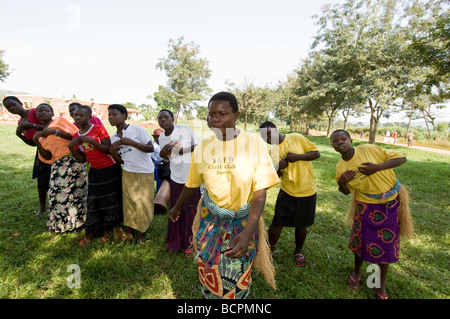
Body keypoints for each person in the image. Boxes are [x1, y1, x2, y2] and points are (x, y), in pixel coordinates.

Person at [169, 92, 280, 299]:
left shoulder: (253, 144)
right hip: (210, 218)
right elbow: (192, 184)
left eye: (222, 113)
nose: (215, 119)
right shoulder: (204, 147)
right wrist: (176, 207)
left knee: (236, 275)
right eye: (211, 115)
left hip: (243, 221)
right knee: (208, 268)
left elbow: (260, 190)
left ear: (236, 115)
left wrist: (248, 231)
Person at [330, 129, 413, 299]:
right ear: (332, 146)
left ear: (350, 140)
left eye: (343, 139)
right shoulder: (341, 167)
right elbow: (345, 191)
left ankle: (380, 285)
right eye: (335, 141)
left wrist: (377, 167)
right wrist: (341, 182)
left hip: (390, 204)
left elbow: (402, 158)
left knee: (387, 244)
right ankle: (357, 271)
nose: (340, 143)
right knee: (360, 240)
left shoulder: (369, 149)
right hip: (365, 206)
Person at [259, 121, 320, 267]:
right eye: (264, 138)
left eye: (269, 134)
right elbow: (274, 175)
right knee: (277, 222)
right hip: (287, 191)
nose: (268, 139)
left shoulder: (296, 137)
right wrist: (279, 166)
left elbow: (316, 153)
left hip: (307, 190)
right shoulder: (272, 152)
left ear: (275, 129)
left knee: (301, 225)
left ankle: (298, 251)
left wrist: (298, 157)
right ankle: (269, 252)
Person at [68, 105, 124, 246]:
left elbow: (108, 150)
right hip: (94, 170)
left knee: (110, 199)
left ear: (89, 116)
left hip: (110, 168)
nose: (78, 117)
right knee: (94, 200)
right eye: (75, 115)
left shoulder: (98, 129)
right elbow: (82, 159)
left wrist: (91, 141)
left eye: (81, 115)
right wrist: (71, 147)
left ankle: (109, 228)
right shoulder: (76, 136)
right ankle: (93, 231)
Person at [32, 103, 87, 233]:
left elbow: (75, 136)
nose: (43, 113)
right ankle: (59, 224)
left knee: (75, 193)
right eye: (40, 111)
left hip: (73, 160)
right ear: (37, 115)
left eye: (46, 111)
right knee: (55, 194)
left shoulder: (59, 122)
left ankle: (77, 224)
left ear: (52, 113)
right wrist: (36, 141)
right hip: (58, 163)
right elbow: (46, 156)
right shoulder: (40, 134)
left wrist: (54, 131)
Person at [108, 104, 155, 243]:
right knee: (129, 203)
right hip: (128, 172)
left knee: (143, 202)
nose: (111, 117)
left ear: (123, 115)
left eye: (114, 114)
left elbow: (150, 148)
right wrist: (112, 151)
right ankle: (130, 233)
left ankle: (141, 233)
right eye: (109, 115)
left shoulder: (136, 129)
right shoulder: (114, 138)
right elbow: (121, 161)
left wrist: (132, 143)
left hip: (145, 171)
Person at [158, 109, 200, 256]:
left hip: (191, 175)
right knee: (176, 208)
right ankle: (175, 238)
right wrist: (163, 152)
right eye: (160, 118)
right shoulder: (162, 137)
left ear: (173, 118)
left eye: (166, 117)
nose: (163, 120)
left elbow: (199, 146)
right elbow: (165, 156)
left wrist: (183, 150)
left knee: (191, 209)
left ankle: (190, 243)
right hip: (176, 176)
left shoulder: (184, 129)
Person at [2, 96, 49, 216]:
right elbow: (33, 143)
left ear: (20, 103)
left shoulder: (35, 112)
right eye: (8, 107)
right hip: (40, 150)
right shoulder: (20, 122)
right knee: (42, 179)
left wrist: (31, 125)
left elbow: (51, 128)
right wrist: (20, 135)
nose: (12, 108)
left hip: (52, 148)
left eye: (13, 104)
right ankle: (42, 207)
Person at [151, 128, 170, 192]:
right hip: (157, 166)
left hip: (163, 165)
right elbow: (163, 160)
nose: (159, 139)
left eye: (160, 137)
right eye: (157, 137)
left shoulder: (162, 145)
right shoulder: (154, 146)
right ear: (154, 138)